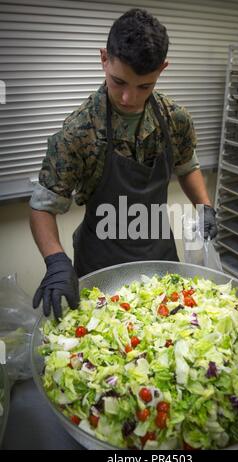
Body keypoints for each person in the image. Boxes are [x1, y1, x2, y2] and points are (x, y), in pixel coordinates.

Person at [29, 8, 217, 319]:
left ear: (162, 69)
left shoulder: (175, 119)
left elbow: (187, 165)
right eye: (119, 82)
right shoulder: (79, 132)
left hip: (159, 255)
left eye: (144, 86)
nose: (129, 97)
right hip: (101, 264)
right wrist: (55, 260)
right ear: (104, 58)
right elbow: (43, 205)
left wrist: (204, 205)